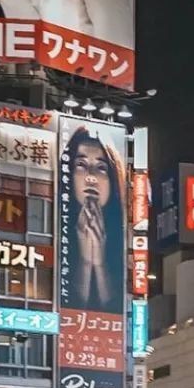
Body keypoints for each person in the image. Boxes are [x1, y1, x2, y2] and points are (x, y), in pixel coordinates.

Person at [62, 123, 125, 313]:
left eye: (101, 167)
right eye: (81, 165)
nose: (91, 177)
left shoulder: (123, 236)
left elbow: (113, 310)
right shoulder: (55, 227)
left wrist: (99, 263)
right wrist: (85, 261)